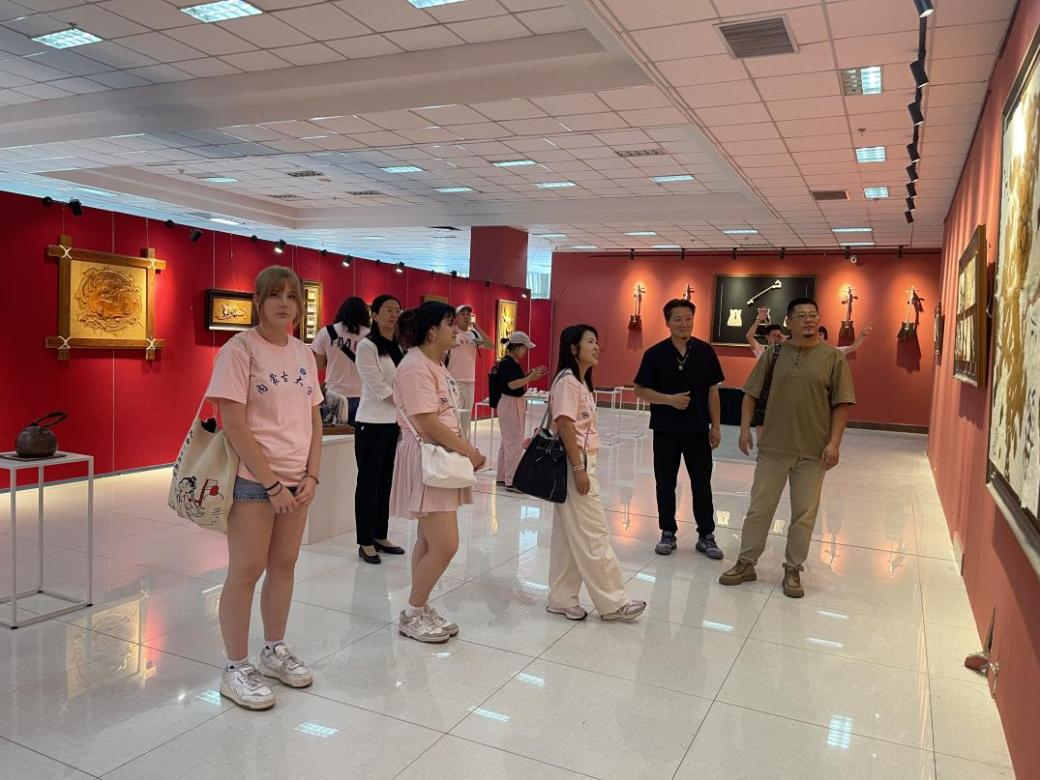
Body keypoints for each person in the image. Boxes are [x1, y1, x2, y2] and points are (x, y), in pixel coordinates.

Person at [206, 265, 323, 711]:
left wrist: (312, 475)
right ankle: (235, 667)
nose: (283, 304)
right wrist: (272, 483)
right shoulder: (239, 350)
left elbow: (314, 417)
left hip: (297, 478)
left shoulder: (303, 353)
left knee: (285, 563)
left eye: (292, 297)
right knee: (247, 569)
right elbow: (233, 422)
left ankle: (274, 649)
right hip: (254, 481)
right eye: (274, 295)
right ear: (258, 301)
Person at [720, 297, 855, 598]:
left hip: (812, 452)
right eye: (801, 315)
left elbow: (842, 404)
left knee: (804, 514)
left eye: (813, 315)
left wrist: (834, 443)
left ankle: (793, 569)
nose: (808, 320)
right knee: (759, 509)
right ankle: (746, 562)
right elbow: (751, 393)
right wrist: (743, 429)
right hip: (773, 448)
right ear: (789, 322)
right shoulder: (774, 353)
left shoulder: (834, 359)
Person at [391, 301, 487, 643]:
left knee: (428, 540)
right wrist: (469, 451)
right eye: (450, 324)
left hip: (439, 458)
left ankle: (420, 605)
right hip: (428, 458)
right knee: (445, 545)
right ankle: (412, 612)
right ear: (432, 331)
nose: (457, 330)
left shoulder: (435, 364)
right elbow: (429, 424)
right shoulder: (416, 366)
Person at [547, 324, 647, 622]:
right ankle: (614, 602)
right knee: (594, 533)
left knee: (569, 536)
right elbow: (565, 425)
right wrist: (579, 469)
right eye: (590, 341)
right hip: (575, 463)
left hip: (580, 461)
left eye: (596, 341)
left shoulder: (580, 382)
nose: (596, 347)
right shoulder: (568, 382)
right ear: (573, 348)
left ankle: (561, 598)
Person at [633, 299, 725, 559]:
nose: (684, 323)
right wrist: (668, 400)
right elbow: (639, 389)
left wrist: (716, 426)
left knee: (702, 484)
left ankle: (706, 535)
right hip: (666, 430)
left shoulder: (706, 352)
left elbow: (713, 391)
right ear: (667, 322)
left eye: (688, 318)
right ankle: (667, 532)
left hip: (698, 430)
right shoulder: (655, 354)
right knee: (665, 483)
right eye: (678, 319)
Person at [354, 294, 406, 565]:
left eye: (397, 310)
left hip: (391, 423)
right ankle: (365, 541)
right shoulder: (367, 346)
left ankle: (380, 535)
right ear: (374, 315)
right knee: (368, 483)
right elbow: (377, 386)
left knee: (385, 482)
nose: (393, 314)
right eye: (387, 310)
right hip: (370, 423)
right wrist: (409, 401)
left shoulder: (398, 346)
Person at [493, 331, 547, 491]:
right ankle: (512, 480)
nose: (525, 351)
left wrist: (529, 374)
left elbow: (514, 381)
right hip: (511, 403)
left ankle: (503, 476)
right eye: (524, 348)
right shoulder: (507, 363)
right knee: (514, 443)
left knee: (507, 442)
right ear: (516, 347)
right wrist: (529, 378)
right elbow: (511, 385)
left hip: (511, 402)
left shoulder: (509, 363)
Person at [311, 296, 370, 425]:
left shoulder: (327, 332)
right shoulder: (371, 336)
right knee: (361, 435)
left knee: (337, 435)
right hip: (364, 396)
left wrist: (335, 360)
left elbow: (319, 364)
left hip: (335, 395)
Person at [446, 304, 489, 441]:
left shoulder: (473, 334)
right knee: (454, 416)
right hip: (454, 380)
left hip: (470, 381)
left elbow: (490, 345)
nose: (466, 316)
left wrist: (477, 328)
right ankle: (452, 444)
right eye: (462, 314)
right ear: (456, 317)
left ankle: (464, 445)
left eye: (468, 314)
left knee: (466, 417)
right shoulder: (452, 333)